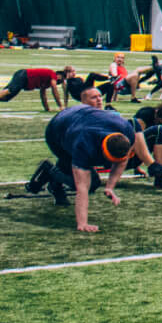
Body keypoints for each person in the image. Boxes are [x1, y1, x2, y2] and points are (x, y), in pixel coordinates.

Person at [36, 98, 135, 231]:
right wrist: (82, 223)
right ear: (102, 150)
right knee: (87, 183)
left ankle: (55, 179)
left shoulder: (127, 131)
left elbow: (123, 161)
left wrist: (110, 187)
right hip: (57, 129)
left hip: (83, 118)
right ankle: (50, 172)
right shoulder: (84, 143)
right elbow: (82, 187)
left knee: (92, 182)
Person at [0, 64, 73, 111]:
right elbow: (55, 91)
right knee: (10, 90)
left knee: (6, 97)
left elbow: (43, 94)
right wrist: (61, 106)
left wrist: (47, 108)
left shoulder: (47, 81)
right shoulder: (52, 75)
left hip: (23, 78)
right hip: (24, 76)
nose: (59, 83)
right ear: (59, 75)